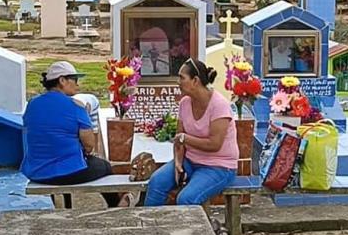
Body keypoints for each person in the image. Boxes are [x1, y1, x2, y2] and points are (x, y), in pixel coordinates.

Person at [21, 61, 135, 207]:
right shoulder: (75, 106)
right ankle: (115, 204)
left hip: (36, 171)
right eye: (74, 80)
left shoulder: (32, 104)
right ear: (62, 80)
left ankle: (66, 206)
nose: (77, 85)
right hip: (68, 172)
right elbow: (89, 145)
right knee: (104, 166)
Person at [144, 58, 238, 206]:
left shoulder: (219, 105)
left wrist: (185, 138)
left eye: (182, 77)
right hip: (190, 161)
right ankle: (150, 226)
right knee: (156, 182)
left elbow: (214, 144)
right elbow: (178, 140)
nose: (178, 82)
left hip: (219, 167)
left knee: (186, 198)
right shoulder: (185, 103)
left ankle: (189, 229)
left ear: (195, 81)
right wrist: (178, 162)